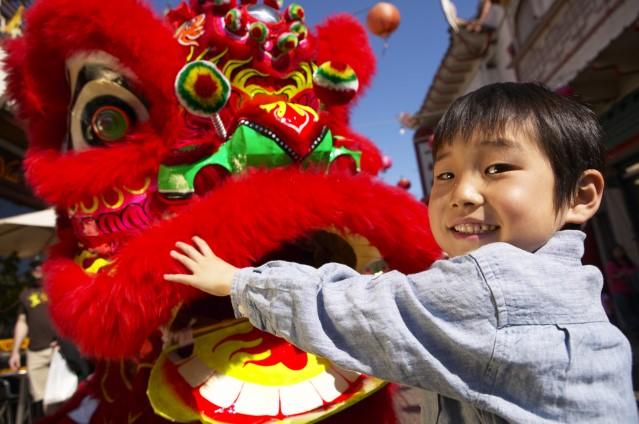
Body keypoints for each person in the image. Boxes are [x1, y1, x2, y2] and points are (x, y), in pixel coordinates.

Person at [164, 82, 638, 422]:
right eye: (446, 174)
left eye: (496, 167)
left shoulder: (497, 283)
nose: (462, 194)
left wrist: (239, 282)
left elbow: (364, 309)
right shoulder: (572, 283)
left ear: (580, 195)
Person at [9, 261, 58, 418]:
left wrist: (66, 342)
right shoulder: (26, 294)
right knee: (40, 399)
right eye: (33, 265)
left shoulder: (58, 287)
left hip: (59, 350)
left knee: (63, 396)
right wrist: (15, 351)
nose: (37, 268)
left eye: (40, 264)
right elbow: (22, 322)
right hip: (35, 351)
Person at [605, 244, 639, 333]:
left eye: (620, 251)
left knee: (635, 310)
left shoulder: (628, 262)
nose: (618, 253)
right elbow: (611, 276)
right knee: (627, 313)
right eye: (616, 251)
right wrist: (622, 274)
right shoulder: (611, 264)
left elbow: (635, 270)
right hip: (619, 292)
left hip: (632, 290)